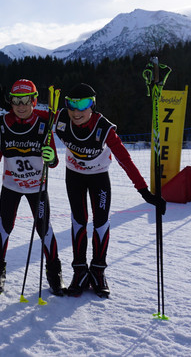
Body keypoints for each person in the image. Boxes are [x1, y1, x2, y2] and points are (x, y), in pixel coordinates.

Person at [54, 83, 167, 297]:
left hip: (98, 177)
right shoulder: (60, 119)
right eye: (71, 105)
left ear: (93, 106)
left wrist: (145, 192)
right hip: (74, 176)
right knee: (78, 220)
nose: (77, 112)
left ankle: (97, 271)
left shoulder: (103, 128)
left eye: (84, 105)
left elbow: (125, 159)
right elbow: (35, 116)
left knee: (100, 222)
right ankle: (79, 272)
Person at [0, 79, 65, 296]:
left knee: (44, 229)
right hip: (11, 186)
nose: (21, 105)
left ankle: (55, 273)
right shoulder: (2, 123)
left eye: (26, 100)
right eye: (16, 100)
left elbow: (53, 161)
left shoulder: (45, 122)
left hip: (37, 187)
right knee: (5, 226)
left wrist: (52, 157)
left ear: (34, 101)